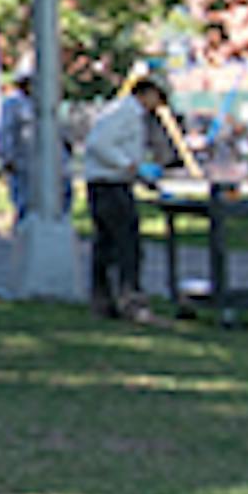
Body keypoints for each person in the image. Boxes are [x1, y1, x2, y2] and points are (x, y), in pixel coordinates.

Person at [82, 67, 171, 321]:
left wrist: (143, 177)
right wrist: (128, 165)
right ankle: (130, 299)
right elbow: (99, 144)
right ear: (148, 93)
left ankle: (104, 301)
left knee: (107, 245)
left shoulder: (124, 113)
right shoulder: (126, 113)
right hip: (110, 184)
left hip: (111, 182)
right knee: (126, 244)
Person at [0, 75, 39, 229]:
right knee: (24, 201)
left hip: (42, 162)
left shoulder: (42, 102)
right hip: (22, 161)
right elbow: (5, 132)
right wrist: (7, 158)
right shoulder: (13, 104)